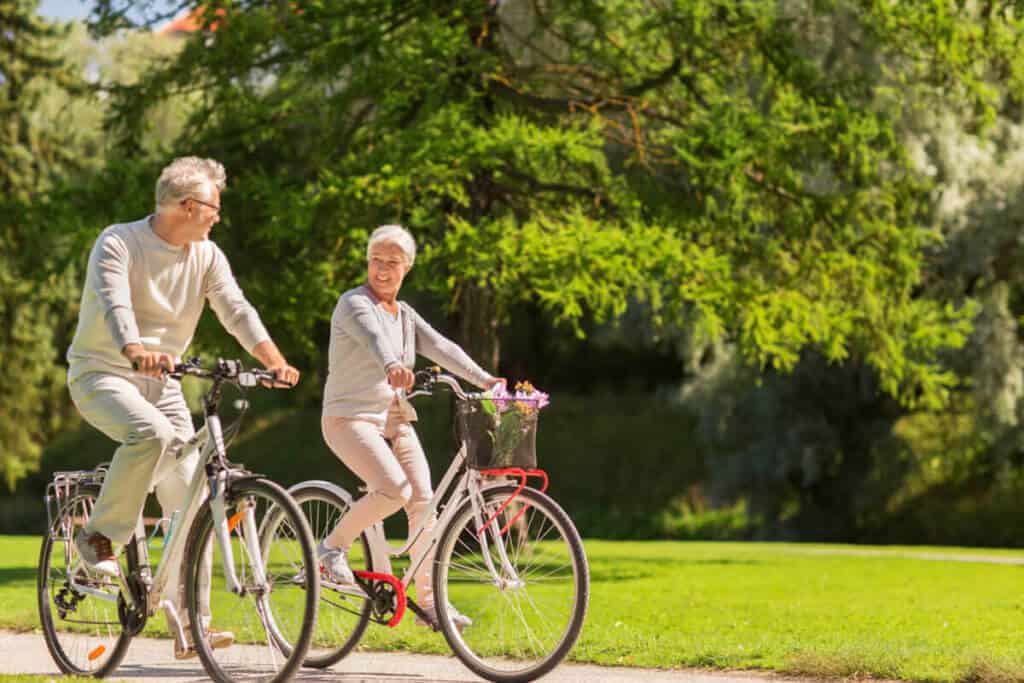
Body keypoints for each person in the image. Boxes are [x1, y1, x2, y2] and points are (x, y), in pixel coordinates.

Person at [66, 156, 301, 659]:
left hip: (165, 383)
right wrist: (133, 348)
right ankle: (98, 538)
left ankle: (191, 624)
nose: (219, 215)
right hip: (102, 374)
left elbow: (236, 308)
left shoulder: (207, 255)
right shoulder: (119, 241)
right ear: (188, 206)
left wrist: (273, 360)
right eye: (214, 207)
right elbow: (115, 305)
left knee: (194, 497)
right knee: (148, 434)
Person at [320, 224, 504, 630]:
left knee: (423, 501)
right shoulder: (353, 304)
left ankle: (430, 604)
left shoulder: (404, 315)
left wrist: (485, 380)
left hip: (393, 418)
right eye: (375, 261)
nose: (382, 270)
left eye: (392, 263)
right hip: (349, 418)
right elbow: (373, 339)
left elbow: (442, 347)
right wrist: (392, 366)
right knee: (393, 489)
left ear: (407, 269)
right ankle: (332, 548)